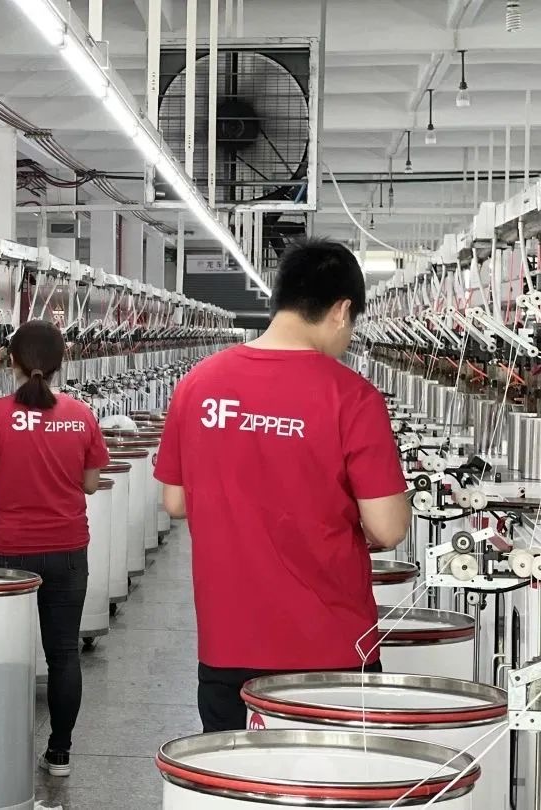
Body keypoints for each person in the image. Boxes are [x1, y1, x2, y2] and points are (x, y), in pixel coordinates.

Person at [154, 237, 409, 734]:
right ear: (341, 310)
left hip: (228, 645)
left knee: (235, 775)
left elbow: (175, 501)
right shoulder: (353, 397)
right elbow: (388, 527)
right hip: (331, 648)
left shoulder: (198, 384)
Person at [0, 320, 109, 778]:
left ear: (13, 362)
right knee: (63, 653)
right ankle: (59, 752)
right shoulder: (81, 414)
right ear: (62, 362)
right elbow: (91, 483)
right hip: (66, 548)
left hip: (7, 550)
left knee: (4, 650)